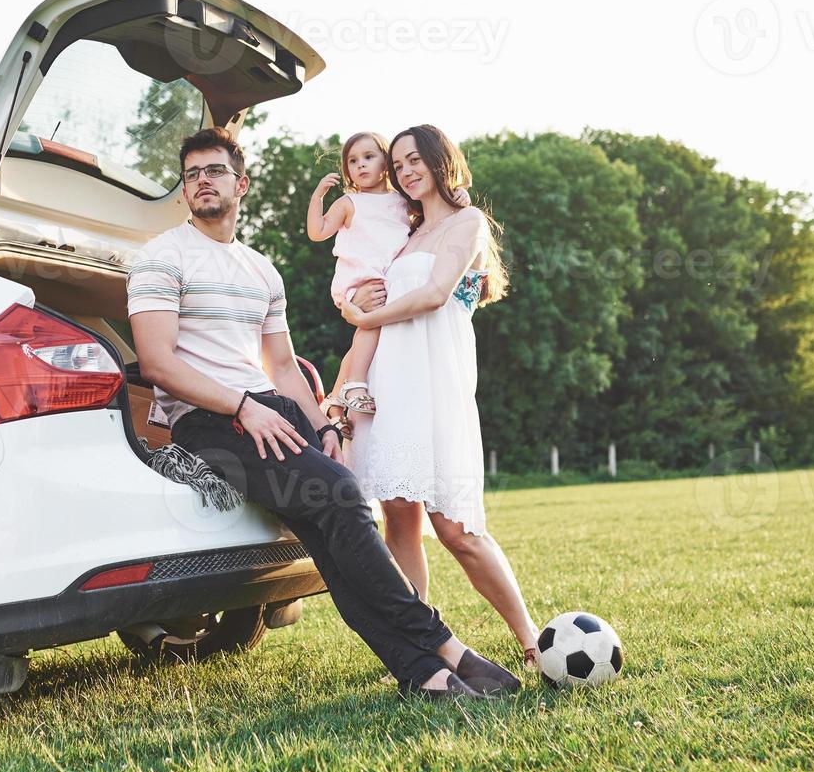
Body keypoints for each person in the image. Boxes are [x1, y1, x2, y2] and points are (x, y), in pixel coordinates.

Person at [127, 126, 520, 700]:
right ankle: (444, 648)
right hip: (206, 420)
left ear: (241, 184)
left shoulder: (261, 269)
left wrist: (326, 426)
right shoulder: (162, 257)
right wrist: (243, 407)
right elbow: (158, 365)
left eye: (214, 171)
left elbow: (283, 367)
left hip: (268, 408)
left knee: (334, 532)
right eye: (191, 175)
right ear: (184, 192)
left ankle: (425, 674)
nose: (202, 182)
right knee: (339, 494)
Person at [343, 124, 543, 670]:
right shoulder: (399, 238)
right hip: (391, 385)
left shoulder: (468, 222)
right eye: (398, 163)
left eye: (415, 160)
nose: (406, 171)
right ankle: (419, 643)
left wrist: (364, 313)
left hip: (437, 386)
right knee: (398, 519)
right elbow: (362, 301)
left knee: (457, 528)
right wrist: (353, 313)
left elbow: (433, 296)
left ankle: (530, 640)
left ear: (440, 162)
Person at [306, 131, 466, 436]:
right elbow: (318, 232)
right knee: (372, 326)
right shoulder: (350, 202)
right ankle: (354, 386)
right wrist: (317, 198)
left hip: (386, 276)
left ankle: (333, 401)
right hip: (360, 276)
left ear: (385, 165)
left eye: (369, 157)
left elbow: (436, 212)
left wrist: (462, 195)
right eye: (353, 161)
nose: (361, 165)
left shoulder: (401, 200)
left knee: (369, 336)